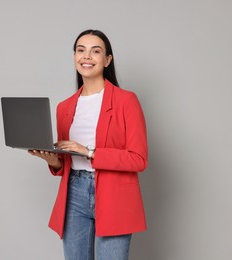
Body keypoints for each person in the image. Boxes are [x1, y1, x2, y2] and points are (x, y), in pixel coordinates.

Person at [29, 29, 148, 260]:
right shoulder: (64, 107)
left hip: (114, 193)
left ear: (107, 60)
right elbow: (65, 163)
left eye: (96, 51)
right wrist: (52, 159)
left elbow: (138, 158)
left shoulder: (126, 101)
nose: (87, 56)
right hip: (74, 192)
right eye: (81, 50)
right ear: (74, 57)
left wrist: (89, 151)